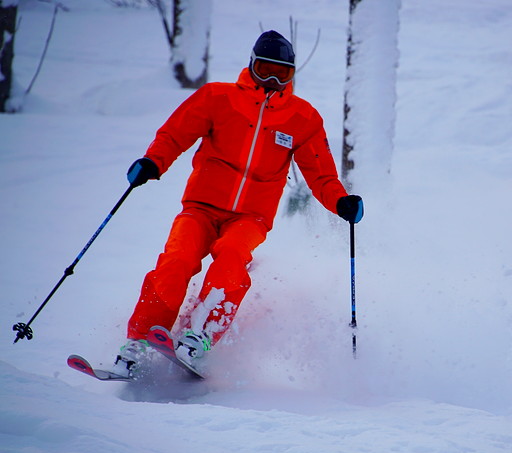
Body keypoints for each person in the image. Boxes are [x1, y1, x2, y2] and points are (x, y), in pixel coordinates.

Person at [111, 31, 363, 378]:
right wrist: (153, 162)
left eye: (282, 74)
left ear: (291, 76)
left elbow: (321, 175)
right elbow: (175, 134)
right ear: (251, 67)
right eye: (264, 70)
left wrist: (341, 202)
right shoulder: (217, 97)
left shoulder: (302, 118)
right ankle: (137, 344)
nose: (272, 81)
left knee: (231, 258)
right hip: (200, 208)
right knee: (177, 260)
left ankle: (200, 335)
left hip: (250, 218)